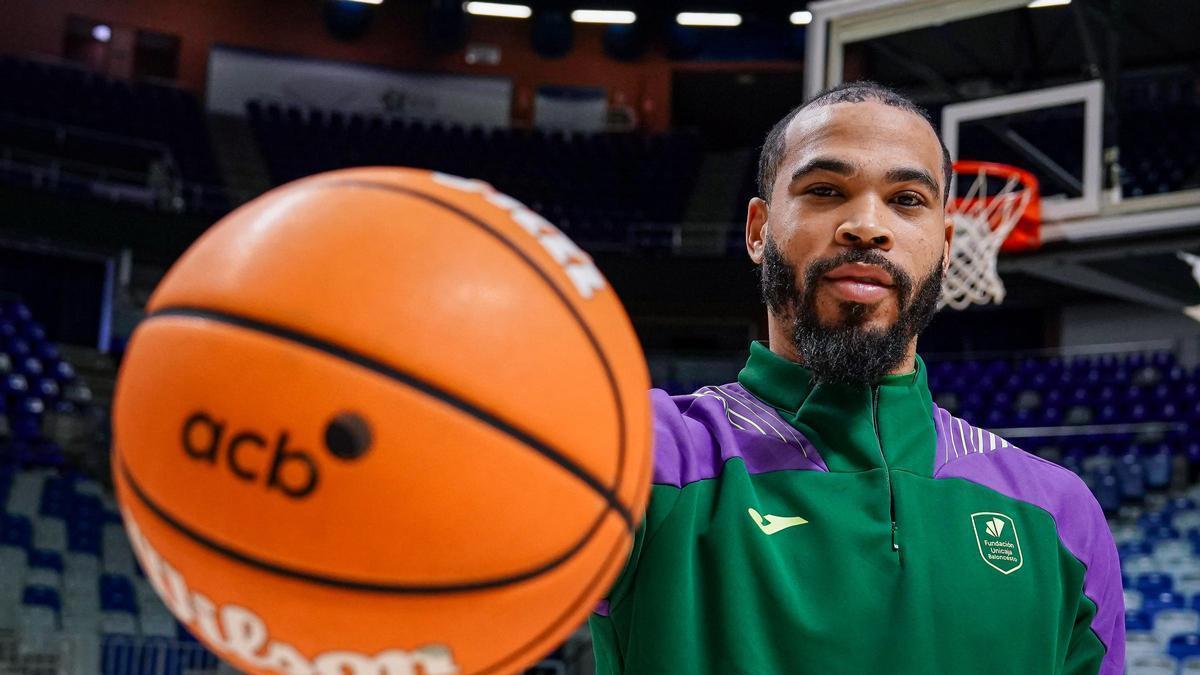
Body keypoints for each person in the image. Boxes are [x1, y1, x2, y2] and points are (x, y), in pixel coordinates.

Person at [588, 82, 1124, 675]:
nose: (867, 226)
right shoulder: (643, 452)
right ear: (758, 230)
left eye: (907, 200)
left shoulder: (1059, 513)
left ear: (946, 247)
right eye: (825, 191)